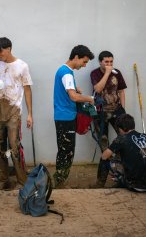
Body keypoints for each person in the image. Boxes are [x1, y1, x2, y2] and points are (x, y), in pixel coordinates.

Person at [0, 37, 33, 190]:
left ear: (9, 48)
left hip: (14, 110)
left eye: (1, 51)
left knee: (14, 145)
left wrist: (30, 114)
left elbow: (27, 89)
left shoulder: (22, 66)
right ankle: (3, 178)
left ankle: (21, 180)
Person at [53, 45, 95, 188]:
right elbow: (74, 97)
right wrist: (90, 98)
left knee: (65, 150)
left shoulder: (65, 71)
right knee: (66, 152)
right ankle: (59, 183)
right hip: (65, 118)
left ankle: (60, 180)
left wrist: (75, 89)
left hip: (64, 116)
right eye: (84, 62)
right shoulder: (66, 73)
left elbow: (70, 92)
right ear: (76, 57)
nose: (84, 65)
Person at [90, 50, 127, 188]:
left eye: (111, 62)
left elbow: (122, 91)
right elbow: (98, 89)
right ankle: (101, 182)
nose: (109, 64)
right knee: (104, 146)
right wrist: (106, 73)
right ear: (100, 62)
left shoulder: (117, 73)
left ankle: (124, 176)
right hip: (100, 112)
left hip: (117, 111)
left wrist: (123, 110)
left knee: (125, 140)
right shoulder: (94, 73)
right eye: (106, 62)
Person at [101, 114, 146, 192]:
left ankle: (100, 184)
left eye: (119, 129)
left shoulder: (121, 138)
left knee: (106, 160)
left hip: (135, 185)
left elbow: (104, 156)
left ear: (123, 128)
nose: (119, 131)